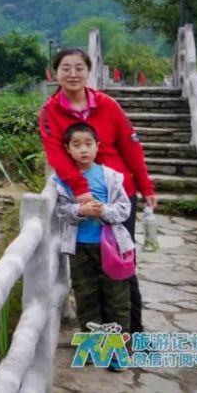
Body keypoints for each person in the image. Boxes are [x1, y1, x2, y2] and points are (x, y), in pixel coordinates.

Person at [39, 48, 156, 332]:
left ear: (88, 71)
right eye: (65, 68)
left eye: (79, 67)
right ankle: (100, 342)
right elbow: (56, 155)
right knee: (87, 278)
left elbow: (131, 147)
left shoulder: (108, 105)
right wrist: (81, 190)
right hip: (80, 202)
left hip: (117, 196)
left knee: (122, 267)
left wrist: (145, 185)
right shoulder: (49, 112)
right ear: (56, 73)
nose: (73, 74)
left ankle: (134, 336)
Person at [54, 123, 135, 371]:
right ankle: (92, 346)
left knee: (117, 298)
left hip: (111, 247)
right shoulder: (62, 179)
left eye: (88, 144)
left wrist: (104, 210)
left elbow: (124, 208)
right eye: (76, 145)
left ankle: (118, 352)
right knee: (86, 297)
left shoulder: (110, 176)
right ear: (67, 149)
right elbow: (61, 210)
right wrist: (80, 210)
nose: (83, 149)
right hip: (80, 247)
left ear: (98, 147)